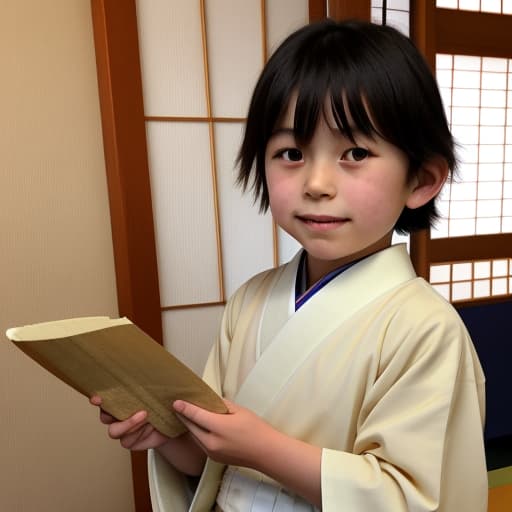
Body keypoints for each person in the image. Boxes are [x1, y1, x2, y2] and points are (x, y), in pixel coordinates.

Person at [91, 19, 487, 511]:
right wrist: (167, 436)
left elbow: (412, 498)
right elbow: (214, 460)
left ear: (421, 180)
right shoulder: (251, 300)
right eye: (291, 153)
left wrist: (262, 448)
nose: (317, 183)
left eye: (356, 152)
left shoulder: (427, 330)